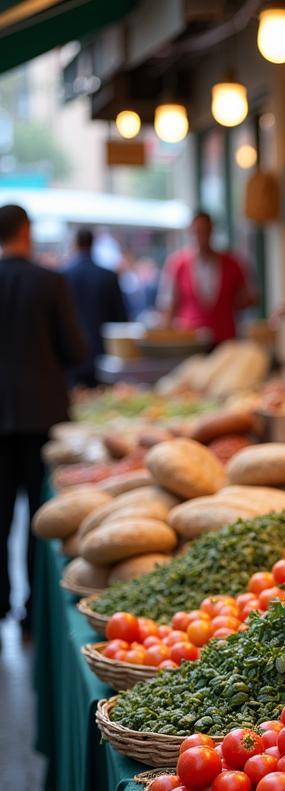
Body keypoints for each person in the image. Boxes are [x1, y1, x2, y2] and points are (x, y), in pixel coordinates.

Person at [0, 204, 87, 634]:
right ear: (26, 232)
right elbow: (74, 349)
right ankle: (33, 612)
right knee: (41, 516)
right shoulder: (50, 281)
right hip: (41, 415)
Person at [158, 211, 255, 344]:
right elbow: (168, 306)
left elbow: (247, 298)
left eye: (205, 231)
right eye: (197, 231)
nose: (201, 236)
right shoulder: (177, 264)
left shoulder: (233, 263)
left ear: (212, 231)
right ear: (190, 232)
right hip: (189, 340)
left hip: (225, 338)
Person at [62, 228, 128, 387]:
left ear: (75, 245)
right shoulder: (108, 276)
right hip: (102, 352)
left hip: (72, 354)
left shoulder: (63, 275)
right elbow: (121, 318)